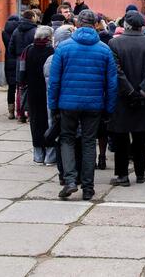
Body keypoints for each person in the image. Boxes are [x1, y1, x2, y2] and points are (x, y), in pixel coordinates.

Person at [49, 10, 118, 201]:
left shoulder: (63, 48)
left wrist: (53, 106)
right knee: (89, 143)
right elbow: (112, 83)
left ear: (78, 24)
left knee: (67, 140)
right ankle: (88, 187)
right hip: (94, 104)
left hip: (67, 103)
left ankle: (70, 180)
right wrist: (109, 109)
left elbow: (54, 81)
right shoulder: (104, 49)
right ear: (96, 25)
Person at [107, 11, 145, 186]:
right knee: (140, 138)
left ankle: (122, 175)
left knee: (121, 138)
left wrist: (130, 91)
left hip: (122, 97)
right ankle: (140, 173)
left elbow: (117, 71)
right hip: (142, 98)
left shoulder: (115, 43)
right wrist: (142, 91)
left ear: (126, 25)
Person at [44, 25, 75, 185]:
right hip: (68, 104)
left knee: (62, 138)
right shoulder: (67, 54)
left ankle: (64, 173)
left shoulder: (54, 57)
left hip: (61, 104)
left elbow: (51, 83)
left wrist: (53, 105)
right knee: (70, 138)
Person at [23, 26, 55, 164]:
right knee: (50, 123)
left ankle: (38, 156)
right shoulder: (52, 52)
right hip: (48, 91)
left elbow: (22, 72)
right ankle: (50, 156)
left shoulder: (28, 50)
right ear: (49, 38)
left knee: (35, 123)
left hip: (33, 92)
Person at [8, 10, 38, 123]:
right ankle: (30, 114)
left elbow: (10, 48)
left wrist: (18, 56)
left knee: (20, 88)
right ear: (32, 17)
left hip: (19, 61)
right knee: (31, 88)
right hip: (31, 62)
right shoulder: (35, 31)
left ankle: (20, 115)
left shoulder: (16, 30)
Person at [1, 14, 20, 119]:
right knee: (20, 87)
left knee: (11, 87)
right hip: (18, 60)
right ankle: (20, 110)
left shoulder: (4, 33)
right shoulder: (19, 32)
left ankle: (11, 111)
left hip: (8, 61)